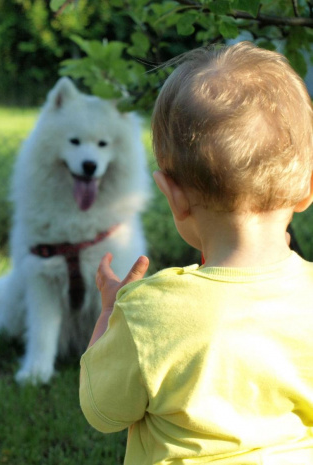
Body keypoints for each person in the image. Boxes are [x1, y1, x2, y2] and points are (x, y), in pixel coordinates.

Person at [79, 41, 313, 463]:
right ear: (308, 189)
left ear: (173, 196)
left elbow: (104, 411)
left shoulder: (148, 311)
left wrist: (110, 315)